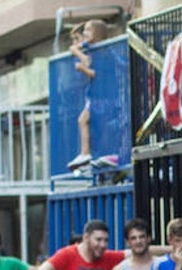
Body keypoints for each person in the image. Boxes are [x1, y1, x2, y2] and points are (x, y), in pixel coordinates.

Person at [67, 19, 108, 170]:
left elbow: (96, 73)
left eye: (88, 31)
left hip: (101, 96)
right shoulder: (90, 49)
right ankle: (86, 153)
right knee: (84, 121)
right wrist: (81, 56)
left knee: (85, 120)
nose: (85, 34)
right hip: (93, 95)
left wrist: (82, 68)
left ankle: (87, 153)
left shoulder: (102, 50)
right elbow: (74, 49)